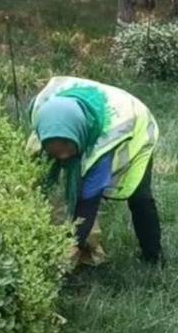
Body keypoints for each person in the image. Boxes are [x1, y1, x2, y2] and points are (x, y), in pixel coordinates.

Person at [30, 76, 162, 266]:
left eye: (68, 146)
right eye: (55, 150)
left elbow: (88, 203)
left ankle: (153, 257)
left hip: (135, 126)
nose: (64, 155)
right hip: (84, 117)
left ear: (79, 134)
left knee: (140, 198)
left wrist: (71, 247)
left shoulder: (106, 142)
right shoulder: (43, 113)